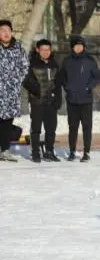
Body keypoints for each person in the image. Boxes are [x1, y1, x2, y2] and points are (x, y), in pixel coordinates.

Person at [57, 35, 100, 162]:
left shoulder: (90, 60)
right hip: (72, 100)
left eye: (81, 45)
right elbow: (62, 77)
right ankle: (72, 151)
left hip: (86, 100)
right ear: (72, 47)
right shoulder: (66, 61)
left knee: (87, 127)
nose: (78, 47)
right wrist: (67, 87)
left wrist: (89, 87)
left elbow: (97, 77)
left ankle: (86, 152)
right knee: (73, 127)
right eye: (76, 45)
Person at [0, 20, 30, 162]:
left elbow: (25, 67)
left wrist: (15, 80)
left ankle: (5, 150)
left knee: (6, 123)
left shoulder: (18, 48)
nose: (5, 33)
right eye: (2, 30)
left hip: (11, 93)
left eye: (8, 30)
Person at [27, 39, 61, 162]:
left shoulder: (54, 64)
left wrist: (58, 99)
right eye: (43, 49)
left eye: (48, 49)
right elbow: (27, 82)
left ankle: (49, 151)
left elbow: (58, 84)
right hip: (37, 102)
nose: (46, 52)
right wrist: (35, 93)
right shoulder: (32, 64)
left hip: (51, 102)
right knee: (36, 128)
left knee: (51, 129)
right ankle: (35, 152)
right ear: (38, 50)